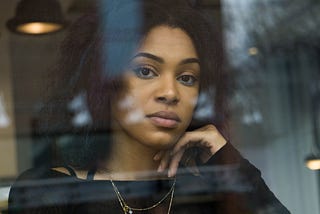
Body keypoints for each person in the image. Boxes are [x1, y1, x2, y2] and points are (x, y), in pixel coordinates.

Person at [8, 0, 290, 213]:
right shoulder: (51, 192)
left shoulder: (209, 192)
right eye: (146, 71)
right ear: (106, 81)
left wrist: (227, 159)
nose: (170, 92)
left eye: (187, 77)